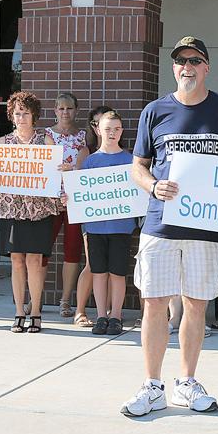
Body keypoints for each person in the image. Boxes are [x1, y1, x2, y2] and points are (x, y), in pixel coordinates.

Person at [120, 36, 218, 416]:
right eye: (180, 61)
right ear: (173, 68)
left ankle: (186, 383)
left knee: (197, 305)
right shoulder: (154, 111)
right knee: (154, 304)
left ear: (206, 67)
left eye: (194, 60)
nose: (186, 67)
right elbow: (137, 165)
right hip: (160, 225)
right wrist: (153, 185)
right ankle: (152, 386)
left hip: (205, 229)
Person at [0, 92, 67, 334]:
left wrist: (63, 171)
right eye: (17, 113)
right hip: (12, 208)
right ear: (11, 116)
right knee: (16, 261)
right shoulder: (3, 143)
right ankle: (18, 311)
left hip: (39, 209)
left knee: (34, 261)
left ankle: (35, 311)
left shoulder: (45, 141)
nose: (21, 117)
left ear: (34, 115)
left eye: (25, 112)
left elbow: (56, 174)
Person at [64, 111, 136, 336]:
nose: (112, 133)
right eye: (107, 129)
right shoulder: (90, 162)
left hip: (121, 227)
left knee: (117, 273)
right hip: (94, 228)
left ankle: (116, 315)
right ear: (98, 130)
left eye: (116, 129)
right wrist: (70, 197)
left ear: (121, 131)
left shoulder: (130, 161)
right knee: (99, 272)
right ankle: (101, 315)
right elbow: (80, 192)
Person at [44, 92, 88, 318]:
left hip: (74, 201)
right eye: (60, 108)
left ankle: (65, 301)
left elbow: (84, 168)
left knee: (72, 251)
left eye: (69, 108)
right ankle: (34, 297)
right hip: (49, 201)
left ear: (76, 110)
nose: (65, 112)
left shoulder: (83, 135)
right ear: (54, 110)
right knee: (42, 249)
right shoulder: (46, 135)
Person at [72, 105, 115, 328]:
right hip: (93, 218)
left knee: (111, 268)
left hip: (115, 218)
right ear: (94, 127)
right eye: (97, 123)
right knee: (92, 265)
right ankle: (80, 311)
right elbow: (78, 185)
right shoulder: (86, 152)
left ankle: (107, 312)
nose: (103, 128)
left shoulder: (121, 152)